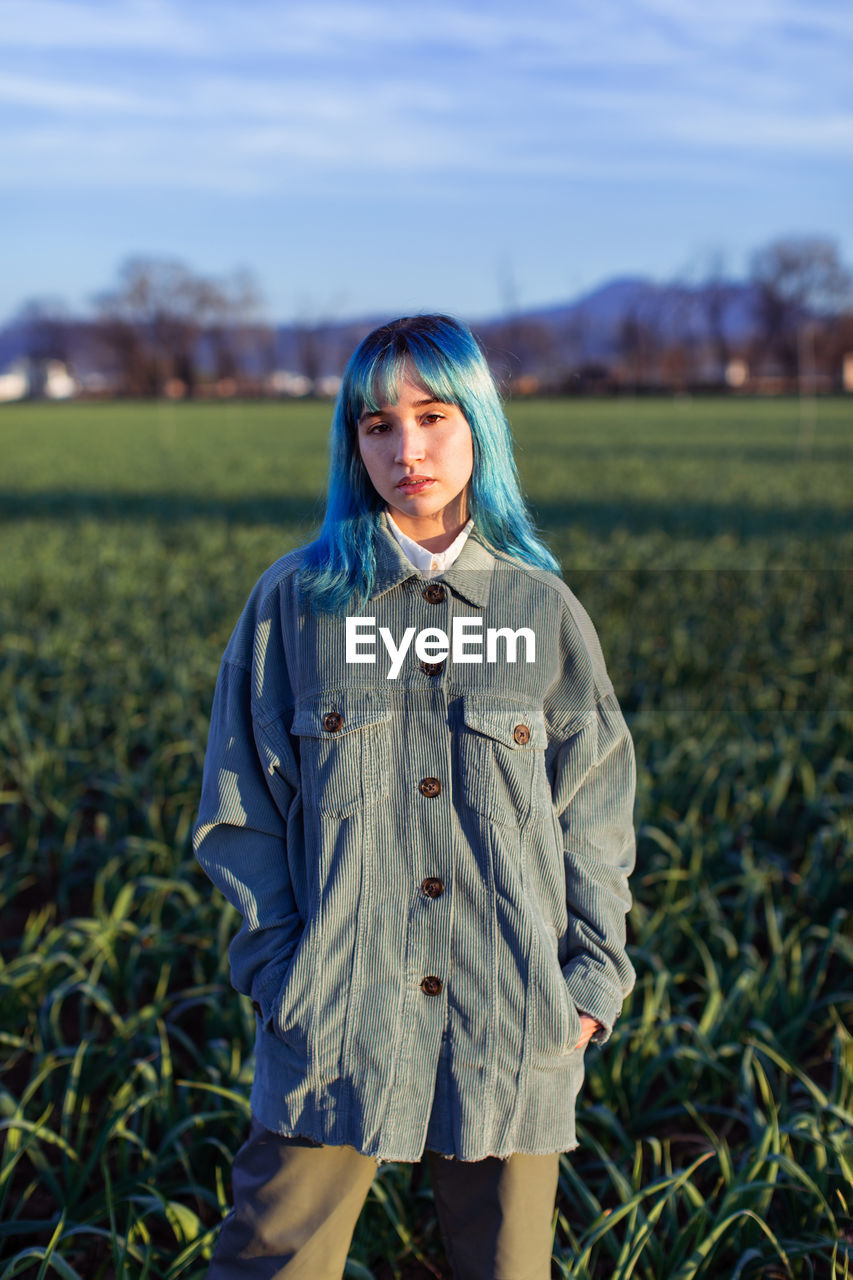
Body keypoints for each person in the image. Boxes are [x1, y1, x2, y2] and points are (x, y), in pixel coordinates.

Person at [193, 314, 637, 1279]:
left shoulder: (539, 611)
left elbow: (594, 809)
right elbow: (240, 812)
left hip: (513, 1019)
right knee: (270, 1262)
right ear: (351, 445)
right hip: (335, 1019)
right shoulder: (295, 605)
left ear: (477, 423)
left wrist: (589, 988)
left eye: (432, 417)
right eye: (376, 425)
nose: (408, 450)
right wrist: (283, 978)